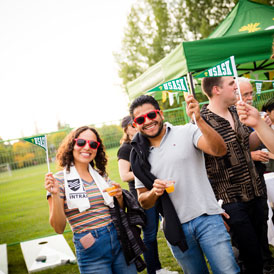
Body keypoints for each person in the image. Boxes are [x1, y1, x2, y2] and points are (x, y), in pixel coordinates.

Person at [129, 94, 240, 274]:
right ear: (135, 124)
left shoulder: (187, 131)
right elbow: (143, 200)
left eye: (151, 115)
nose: (148, 121)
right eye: (141, 119)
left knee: (228, 271)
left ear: (161, 114)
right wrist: (153, 193)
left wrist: (200, 120)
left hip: (207, 218)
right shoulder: (138, 156)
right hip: (175, 227)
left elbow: (219, 150)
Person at [45, 126, 146, 274]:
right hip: (90, 248)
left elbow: (118, 208)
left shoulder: (100, 176)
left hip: (118, 240)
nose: (87, 147)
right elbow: (58, 228)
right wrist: (54, 194)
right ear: (72, 145)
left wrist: (119, 196)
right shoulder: (58, 180)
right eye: (81, 142)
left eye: (93, 144)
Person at [200, 76, 267, 274]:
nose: (236, 88)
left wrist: (261, 127)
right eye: (231, 84)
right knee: (248, 255)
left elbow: (247, 145)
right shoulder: (202, 121)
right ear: (216, 90)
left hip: (256, 190)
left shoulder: (237, 111)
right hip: (231, 199)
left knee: (262, 251)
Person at [117, 116, 177, 274]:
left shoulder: (146, 141)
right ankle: (154, 270)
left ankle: (160, 268)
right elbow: (124, 175)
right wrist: (143, 173)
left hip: (162, 190)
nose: (135, 126)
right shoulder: (125, 148)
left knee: (170, 226)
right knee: (150, 234)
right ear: (126, 128)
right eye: (132, 124)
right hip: (144, 195)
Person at [238, 78, 274, 272]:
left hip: (259, 176)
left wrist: (262, 126)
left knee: (263, 219)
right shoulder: (225, 117)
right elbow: (224, 153)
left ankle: (267, 260)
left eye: (251, 93)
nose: (250, 98)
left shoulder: (258, 115)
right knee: (246, 227)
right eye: (245, 94)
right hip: (237, 186)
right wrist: (251, 155)